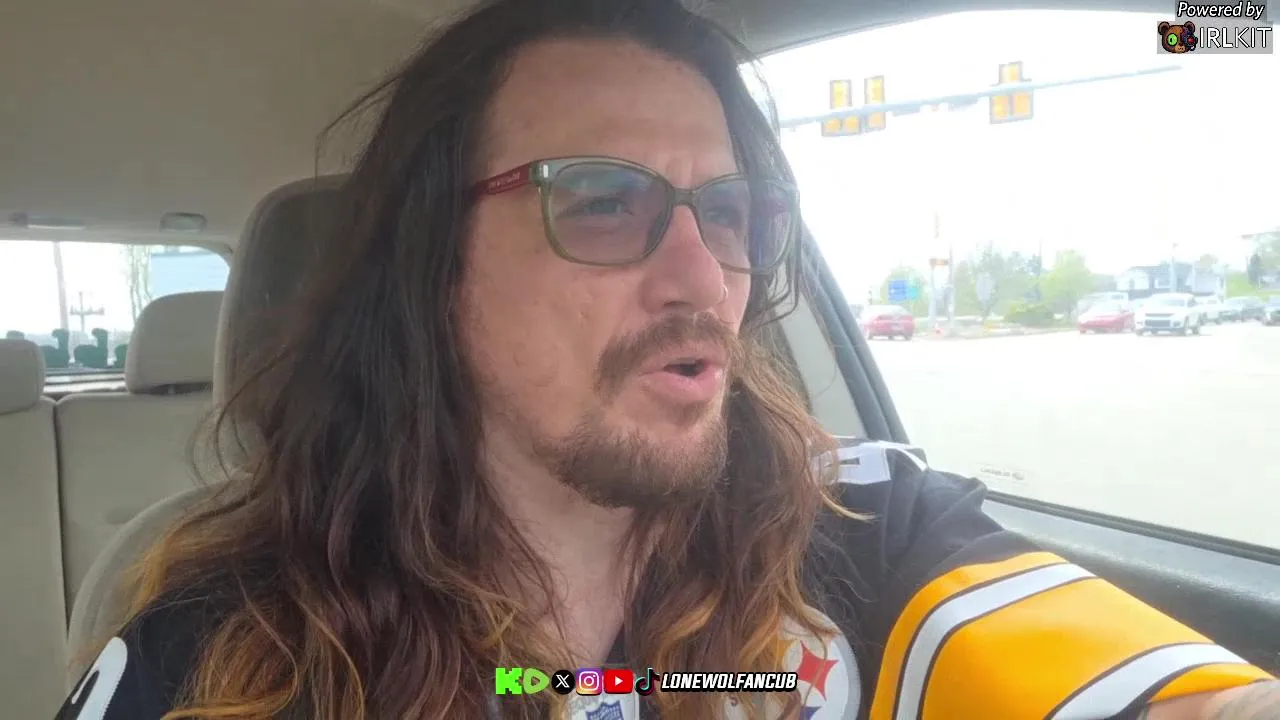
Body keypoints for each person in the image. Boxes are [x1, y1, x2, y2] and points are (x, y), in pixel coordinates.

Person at [56, 0, 1276, 718]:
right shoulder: (219, 655)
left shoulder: (865, 539)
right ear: (431, 267)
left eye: (728, 212)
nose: (700, 279)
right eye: (599, 202)